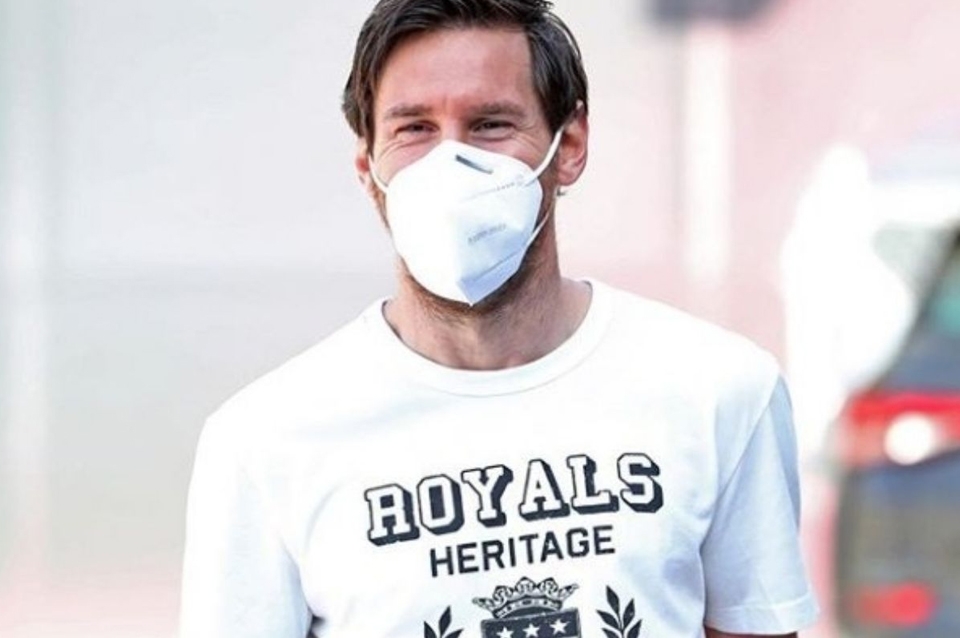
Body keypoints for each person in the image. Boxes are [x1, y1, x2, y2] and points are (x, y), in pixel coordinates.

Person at [179, 1, 819, 637]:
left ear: (569, 146)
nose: (450, 164)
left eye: (490, 124)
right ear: (368, 168)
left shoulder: (719, 392)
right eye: (413, 128)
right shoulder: (265, 441)